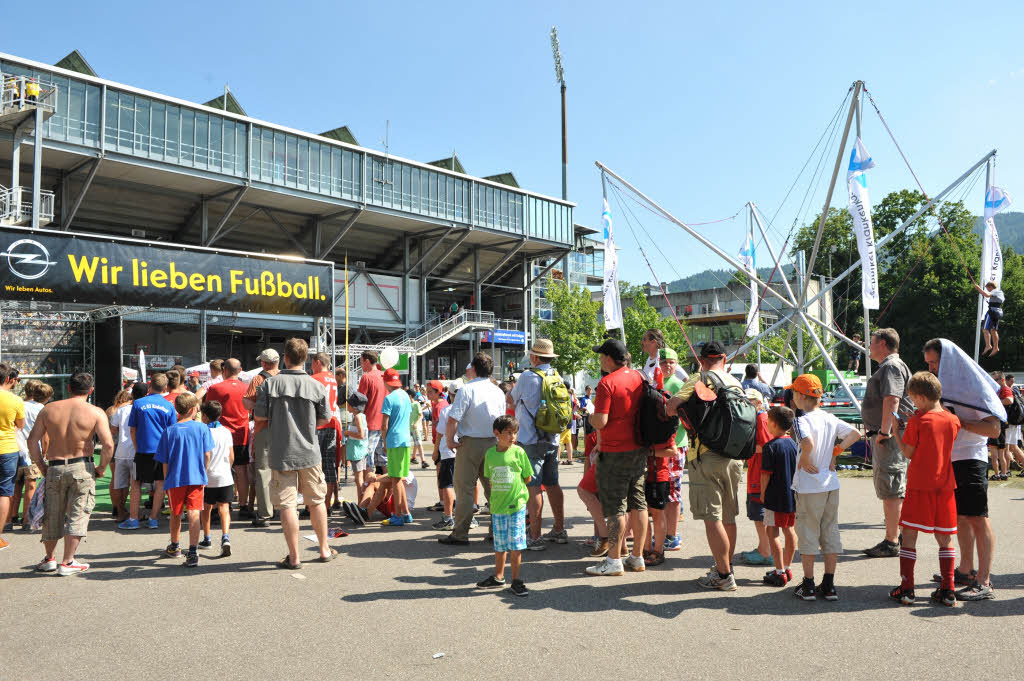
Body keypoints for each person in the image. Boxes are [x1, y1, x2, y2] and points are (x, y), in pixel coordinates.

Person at [923, 338, 1002, 601]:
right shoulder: (945, 385)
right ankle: (966, 571)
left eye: (935, 362)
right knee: (961, 519)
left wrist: (957, 421)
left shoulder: (973, 386)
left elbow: (994, 429)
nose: (932, 368)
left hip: (972, 459)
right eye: (929, 364)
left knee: (978, 517)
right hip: (951, 460)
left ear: (949, 362)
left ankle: (985, 581)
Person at [665, 341, 745, 590]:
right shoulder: (735, 382)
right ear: (723, 357)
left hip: (705, 454)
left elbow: (670, 407)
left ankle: (723, 576)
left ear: (701, 359)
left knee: (713, 518)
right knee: (729, 517)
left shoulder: (698, 378)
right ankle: (725, 566)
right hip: (734, 456)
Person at [253, 338, 335, 568]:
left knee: (288, 505)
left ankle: (294, 556)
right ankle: (324, 549)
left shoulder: (270, 384)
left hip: (281, 452)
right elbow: (325, 418)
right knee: (317, 501)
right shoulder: (316, 385)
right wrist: (308, 424)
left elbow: (259, 416)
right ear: (306, 358)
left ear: (285, 358)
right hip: (309, 451)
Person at [27, 372, 114, 574]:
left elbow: (32, 441)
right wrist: (101, 467)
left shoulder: (49, 409)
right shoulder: (95, 412)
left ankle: (49, 558)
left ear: (68, 388)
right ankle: (68, 561)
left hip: (55, 465)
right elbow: (108, 444)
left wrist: (41, 466)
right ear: (90, 390)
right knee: (79, 511)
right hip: (82, 465)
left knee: (52, 513)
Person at [888, 371, 962, 607]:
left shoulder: (918, 421)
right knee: (945, 537)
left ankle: (907, 588)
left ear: (919, 397)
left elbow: (908, 452)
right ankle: (948, 589)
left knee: (909, 535)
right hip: (946, 484)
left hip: (920, 484)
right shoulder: (953, 419)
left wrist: (897, 430)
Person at [789, 374, 861, 601]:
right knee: (830, 531)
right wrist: (835, 452)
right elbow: (855, 434)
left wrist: (805, 458)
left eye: (793, 393)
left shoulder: (801, 421)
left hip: (809, 486)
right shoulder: (829, 418)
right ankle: (829, 584)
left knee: (808, 533)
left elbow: (807, 442)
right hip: (831, 484)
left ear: (801, 396)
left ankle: (808, 584)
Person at [585, 338, 648, 576]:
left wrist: (590, 416)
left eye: (601, 356)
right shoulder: (640, 377)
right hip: (638, 450)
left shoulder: (606, 383)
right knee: (638, 503)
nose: (600, 359)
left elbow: (600, 421)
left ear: (609, 358)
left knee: (615, 508)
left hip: (613, 452)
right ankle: (637, 556)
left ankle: (613, 561)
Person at [438, 353, 507, 545]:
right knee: (494, 490)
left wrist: (450, 440)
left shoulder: (467, 390)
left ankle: (460, 534)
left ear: (474, 369)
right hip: (494, 442)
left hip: (470, 443)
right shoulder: (498, 391)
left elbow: (453, 419)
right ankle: (496, 531)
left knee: (465, 489)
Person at [861, 328, 915, 558]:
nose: (869, 346)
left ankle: (892, 540)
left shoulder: (891, 366)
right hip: (894, 435)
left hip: (891, 437)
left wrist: (884, 431)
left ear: (882, 343)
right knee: (894, 486)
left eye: (871, 342)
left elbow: (892, 399)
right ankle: (897, 534)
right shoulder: (892, 365)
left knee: (891, 487)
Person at [509, 338, 567, 550]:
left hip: (531, 439)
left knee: (533, 487)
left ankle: (534, 536)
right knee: (552, 483)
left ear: (534, 357)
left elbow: (512, 399)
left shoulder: (527, 376)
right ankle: (559, 529)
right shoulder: (557, 375)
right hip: (552, 437)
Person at [476, 415, 532, 596]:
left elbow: (528, 477)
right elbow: (489, 477)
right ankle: (498, 577)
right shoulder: (490, 454)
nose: (513, 437)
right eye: (508, 433)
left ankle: (516, 581)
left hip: (516, 505)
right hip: (498, 507)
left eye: (515, 433)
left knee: (516, 545)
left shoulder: (519, 452)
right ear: (497, 433)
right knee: (500, 546)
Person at [156, 393, 213, 568]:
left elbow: (164, 461)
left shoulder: (169, 431)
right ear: (192, 409)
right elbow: (207, 454)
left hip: (175, 478)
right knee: (194, 513)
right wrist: (204, 471)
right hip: (196, 477)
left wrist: (166, 480)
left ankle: (174, 545)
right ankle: (193, 551)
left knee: (176, 513)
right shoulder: (203, 428)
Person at [122, 373, 176, 529]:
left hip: (144, 449)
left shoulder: (138, 403)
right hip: (161, 451)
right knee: (160, 484)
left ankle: (133, 519)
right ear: (165, 388)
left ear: (150, 385)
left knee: (136, 483)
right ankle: (153, 519)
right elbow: (171, 431)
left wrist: (138, 448)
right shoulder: (169, 406)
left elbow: (133, 430)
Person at [204, 359, 251, 522]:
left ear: (224, 370)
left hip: (221, 434)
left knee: (218, 468)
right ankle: (243, 505)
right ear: (240, 370)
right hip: (241, 432)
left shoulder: (215, 388)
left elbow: (208, 409)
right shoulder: (247, 387)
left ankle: (219, 505)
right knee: (241, 469)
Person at [759, 406, 799, 587]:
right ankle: (788, 567)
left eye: (768, 421)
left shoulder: (770, 446)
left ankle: (779, 571)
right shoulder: (793, 444)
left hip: (775, 496)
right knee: (790, 529)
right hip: (792, 495)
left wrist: (762, 493)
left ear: (773, 424)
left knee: (772, 531)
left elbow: (766, 474)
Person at [737, 387, 775, 567]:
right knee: (758, 515)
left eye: (751, 401)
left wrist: (745, 447)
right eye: (745, 401)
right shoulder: (757, 418)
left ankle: (766, 552)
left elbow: (768, 446)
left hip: (760, 476)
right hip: (756, 473)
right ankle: (763, 547)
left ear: (759, 402)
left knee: (760, 516)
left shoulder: (761, 418)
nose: (747, 404)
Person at [243, 349, 280, 526]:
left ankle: (265, 514)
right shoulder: (284, 377)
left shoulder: (258, 379)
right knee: (282, 470)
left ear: (264, 363)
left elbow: (247, 402)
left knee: (263, 471)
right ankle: (282, 509)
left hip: (263, 429)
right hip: (284, 430)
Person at [8, 380, 50, 531]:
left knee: (14, 485)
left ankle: (11, 517)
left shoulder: (18, 404)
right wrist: (44, 453)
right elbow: (45, 436)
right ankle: (26, 519)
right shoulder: (41, 409)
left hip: (14, 449)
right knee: (30, 485)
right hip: (32, 451)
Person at [659, 348, 689, 553]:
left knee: (673, 491)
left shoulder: (679, 386)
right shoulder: (657, 383)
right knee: (662, 489)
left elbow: (686, 419)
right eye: (664, 362)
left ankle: (672, 535)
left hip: (676, 444)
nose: (668, 365)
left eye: (671, 362)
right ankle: (665, 532)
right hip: (660, 445)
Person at [200, 400, 234, 557]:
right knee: (224, 508)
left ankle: (207, 538)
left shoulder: (202, 431)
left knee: (206, 508)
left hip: (207, 476)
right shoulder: (226, 432)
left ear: (205, 416)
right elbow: (231, 455)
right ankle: (225, 536)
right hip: (224, 475)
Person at [380, 369, 413, 526]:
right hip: (406, 440)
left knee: (395, 479)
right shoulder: (406, 396)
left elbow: (384, 425)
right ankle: (405, 513)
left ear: (386, 382)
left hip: (394, 440)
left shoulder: (389, 398)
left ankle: (398, 515)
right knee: (399, 478)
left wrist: (385, 443)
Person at [110, 384, 147, 524]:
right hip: (136, 451)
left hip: (121, 451)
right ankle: (134, 515)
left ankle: (121, 514)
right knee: (135, 485)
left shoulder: (121, 410)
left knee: (119, 484)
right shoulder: (143, 409)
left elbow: (113, 429)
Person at [309, 352, 341, 510]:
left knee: (313, 466)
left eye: (312, 363)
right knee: (329, 466)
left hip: (317, 425)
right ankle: (326, 505)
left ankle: (313, 505)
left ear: (318, 362)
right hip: (332, 423)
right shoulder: (333, 378)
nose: (310, 366)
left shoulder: (315, 379)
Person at [0, 363, 26, 550]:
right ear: (8, 379)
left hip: (8, 450)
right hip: (7, 449)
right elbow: (21, 424)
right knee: (4, 492)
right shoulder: (15, 400)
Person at [430, 381, 458, 531]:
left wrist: (435, 452)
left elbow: (440, 434)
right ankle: (467, 517)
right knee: (464, 486)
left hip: (448, 452)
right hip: (463, 451)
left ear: (451, 394)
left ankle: (448, 517)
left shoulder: (447, 410)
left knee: (448, 484)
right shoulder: (469, 410)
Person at [356, 350, 386, 477]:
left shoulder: (366, 377)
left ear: (367, 361)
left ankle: (368, 491)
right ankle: (388, 493)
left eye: (361, 362)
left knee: (367, 461)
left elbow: (360, 402)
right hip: (384, 424)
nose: (361, 365)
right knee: (384, 461)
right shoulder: (384, 376)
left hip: (370, 424)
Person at [988, 371, 1014, 481]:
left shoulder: (1005, 389)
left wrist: (995, 402)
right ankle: (1001, 474)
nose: (993, 382)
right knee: (999, 452)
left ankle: (999, 474)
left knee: (996, 452)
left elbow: (1009, 400)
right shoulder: (1000, 390)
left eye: (995, 380)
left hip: (999, 424)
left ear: (1002, 380)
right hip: (1000, 424)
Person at [344, 392, 370, 496]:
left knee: (358, 479)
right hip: (361, 450)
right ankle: (362, 502)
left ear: (355, 407)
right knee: (360, 478)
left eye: (349, 405)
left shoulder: (357, 417)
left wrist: (347, 433)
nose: (347, 406)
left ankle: (361, 503)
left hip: (357, 452)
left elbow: (361, 435)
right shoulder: (361, 416)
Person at [975, 281, 1004, 356]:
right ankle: (995, 347)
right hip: (998, 312)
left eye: (987, 288)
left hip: (992, 312)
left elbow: (987, 295)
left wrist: (979, 289)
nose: (987, 289)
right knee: (993, 330)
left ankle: (988, 345)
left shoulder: (995, 291)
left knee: (985, 329)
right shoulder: (1000, 292)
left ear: (990, 287)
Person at [407, 388, 428, 469]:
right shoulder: (406, 404)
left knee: (418, 443)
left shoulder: (416, 404)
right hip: (407, 428)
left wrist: (416, 423)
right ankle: (412, 458)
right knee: (408, 445)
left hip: (415, 428)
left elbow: (421, 415)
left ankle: (423, 461)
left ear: (410, 396)